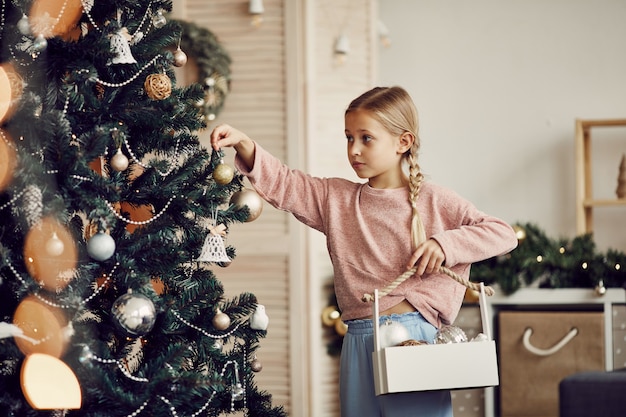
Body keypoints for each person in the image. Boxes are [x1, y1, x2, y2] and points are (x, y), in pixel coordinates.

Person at [210, 86, 518, 417]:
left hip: (415, 339)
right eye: (348, 138)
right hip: (357, 339)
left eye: (366, 138)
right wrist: (244, 144)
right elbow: (286, 184)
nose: (354, 150)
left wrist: (445, 244)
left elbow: (503, 234)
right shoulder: (335, 199)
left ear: (403, 142)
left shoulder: (434, 200)